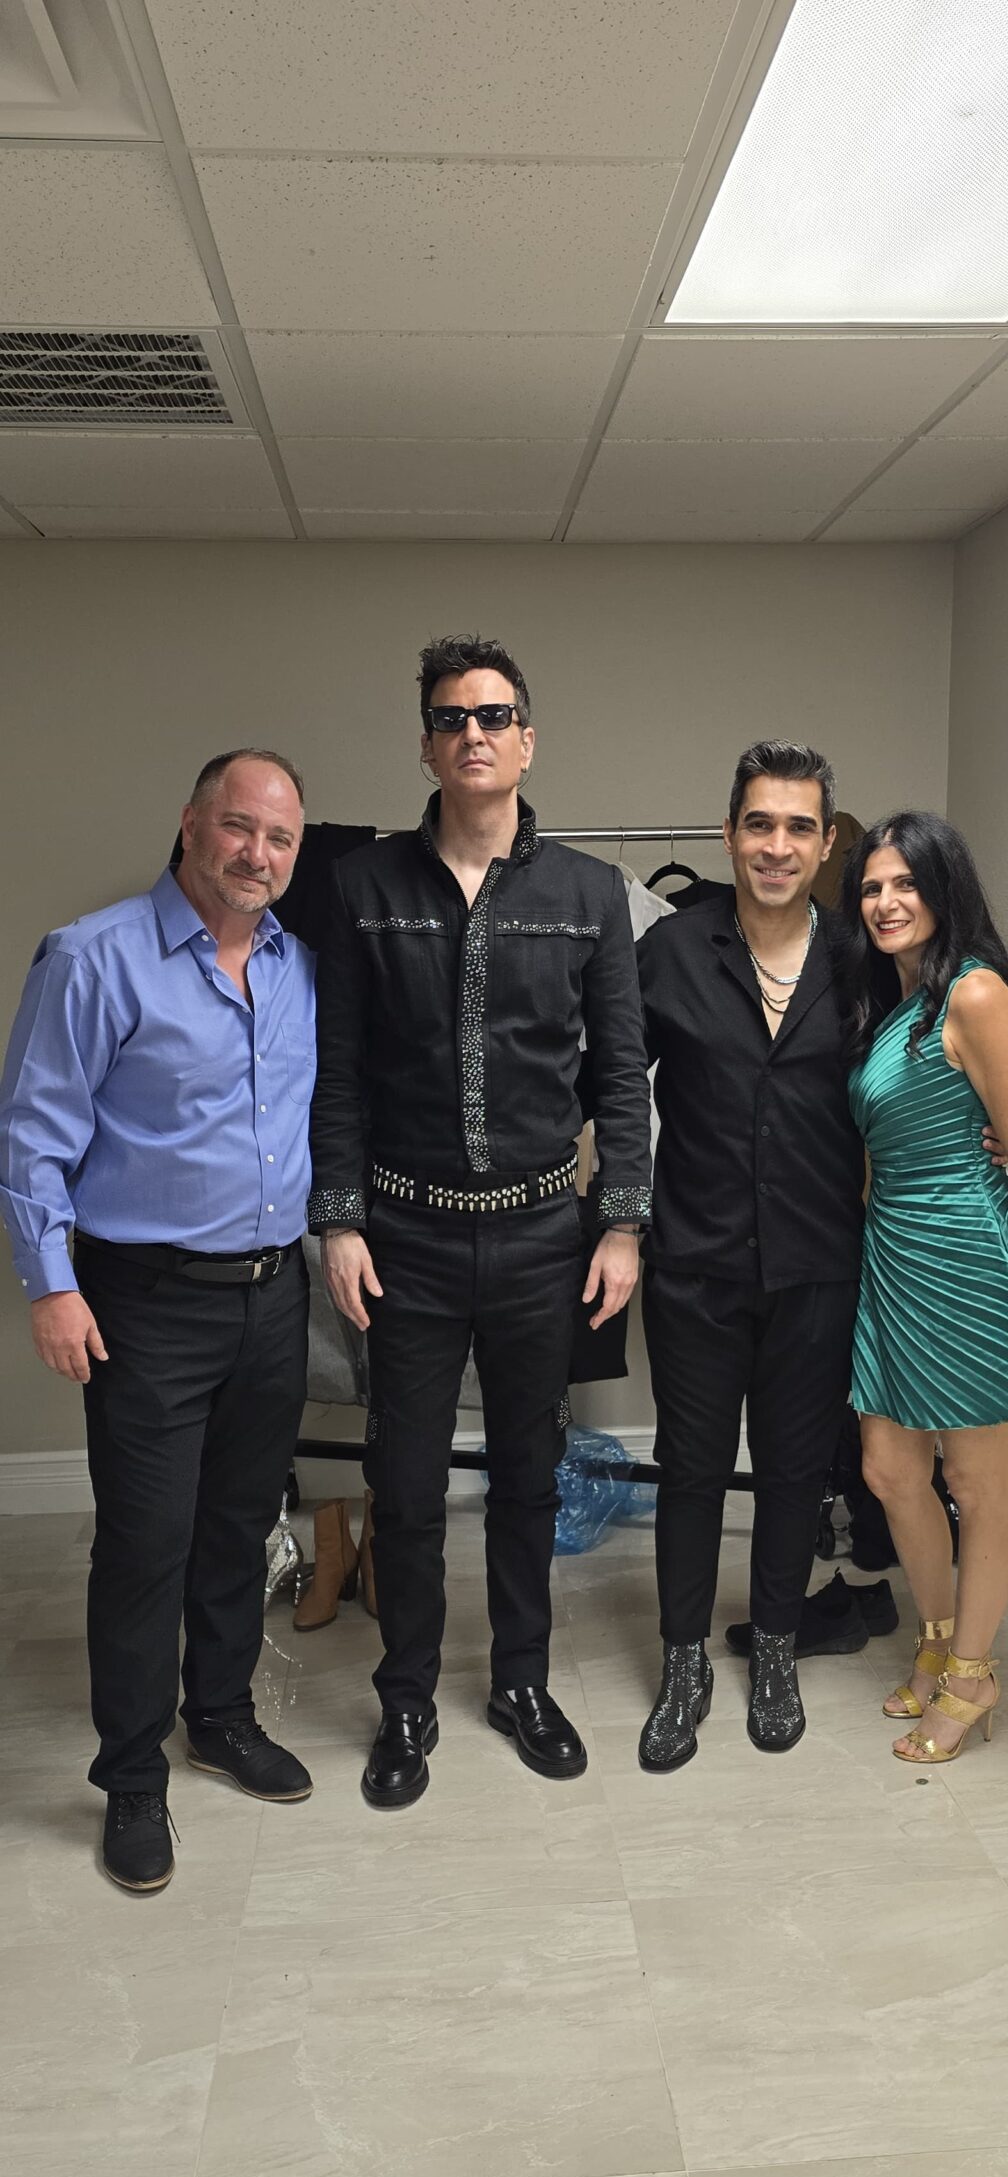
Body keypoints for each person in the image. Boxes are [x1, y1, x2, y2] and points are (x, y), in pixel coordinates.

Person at [309, 634, 652, 1810]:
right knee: (405, 1485)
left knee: (526, 1477)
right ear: (426, 744)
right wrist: (339, 1220)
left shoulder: (588, 894)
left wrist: (620, 1224)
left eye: (494, 715)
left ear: (526, 740)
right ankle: (405, 1698)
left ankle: (520, 1683)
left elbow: (621, 1077)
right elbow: (337, 1071)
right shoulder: (363, 888)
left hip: (540, 1238)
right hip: (400, 1238)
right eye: (453, 717)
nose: (474, 733)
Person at [0, 752, 317, 1891]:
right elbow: (31, 1134)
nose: (256, 855)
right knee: (145, 1546)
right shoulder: (93, 958)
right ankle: (132, 1775)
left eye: (278, 839)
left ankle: (219, 1717)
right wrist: (51, 1286)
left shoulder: (296, 967)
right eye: (238, 828)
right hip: (145, 1303)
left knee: (239, 1525)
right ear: (190, 825)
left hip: (274, 1295)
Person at [634, 740, 867, 1769]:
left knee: (792, 1471)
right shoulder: (671, 949)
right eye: (759, 824)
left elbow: (918, 1078)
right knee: (689, 1470)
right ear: (728, 834)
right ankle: (683, 1660)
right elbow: (603, 1084)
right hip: (694, 1264)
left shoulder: (861, 961)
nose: (777, 845)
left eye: (798, 827)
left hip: (818, 1266)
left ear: (824, 844)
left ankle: (774, 1647)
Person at [842, 813, 1008, 1762]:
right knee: (888, 1470)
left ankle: (973, 1674)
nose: (885, 902)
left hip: (970, 1258)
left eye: (905, 883)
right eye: (870, 887)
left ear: (945, 890)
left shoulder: (975, 994)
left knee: (976, 1483)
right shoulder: (894, 1001)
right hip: (895, 1255)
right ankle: (937, 1640)